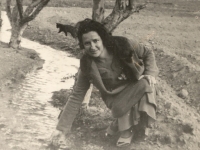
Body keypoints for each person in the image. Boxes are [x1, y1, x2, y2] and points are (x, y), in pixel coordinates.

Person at [52, 18, 159, 148]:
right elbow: (76, 96)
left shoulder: (123, 44)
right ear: (82, 45)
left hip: (134, 84)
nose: (92, 47)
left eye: (95, 41)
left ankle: (128, 128)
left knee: (147, 84)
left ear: (102, 38)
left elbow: (147, 52)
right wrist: (61, 129)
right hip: (114, 97)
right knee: (120, 107)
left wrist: (150, 73)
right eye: (87, 43)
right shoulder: (87, 65)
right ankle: (125, 129)